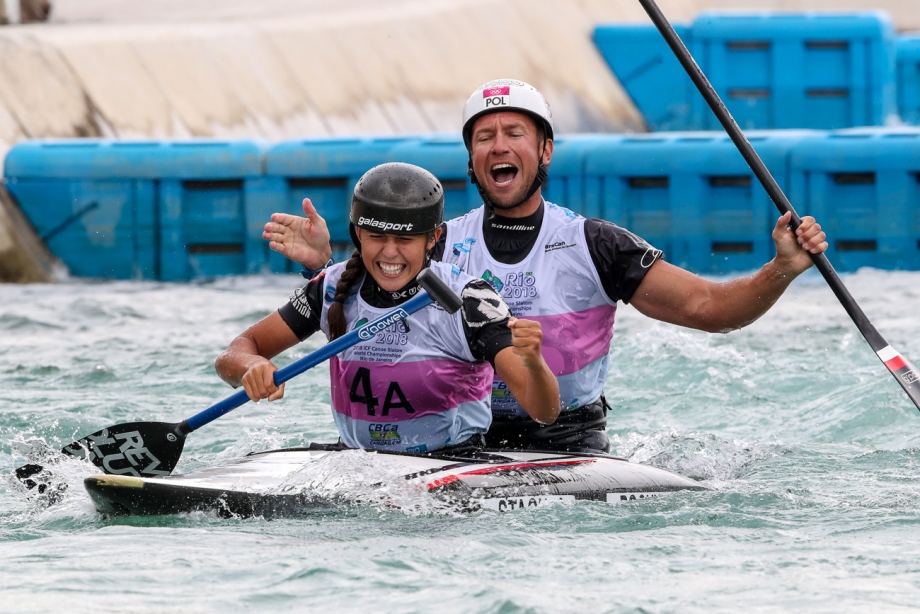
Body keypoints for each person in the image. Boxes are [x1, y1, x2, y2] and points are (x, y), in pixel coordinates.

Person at [262, 79, 828, 454]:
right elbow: (380, 309)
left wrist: (781, 268)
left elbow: (713, 310)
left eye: (514, 133)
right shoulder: (436, 241)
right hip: (462, 442)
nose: (498, 145)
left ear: (546, 151)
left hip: (564, 442)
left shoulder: (596, 245)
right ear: (471, 159)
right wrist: (329, 263)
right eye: (485, 136)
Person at [218, 162, 560, 455]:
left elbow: (544, 411)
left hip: (452, 465)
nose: (390, 253)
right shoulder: (332, 287)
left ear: (434, 238)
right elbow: (232, 355)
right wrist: (252, 366)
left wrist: (534, 363)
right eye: (377, 237)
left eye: (405, 240)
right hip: (356, 464)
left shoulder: (472, 301)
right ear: (357, 236)